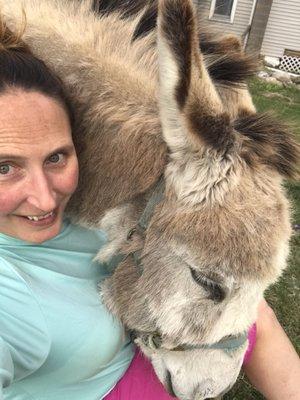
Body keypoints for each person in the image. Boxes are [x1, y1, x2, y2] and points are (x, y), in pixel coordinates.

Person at [0, 20, 299, 400]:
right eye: (3, 167)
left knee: (256, 311)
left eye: (57, 156)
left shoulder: (90, 199)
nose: (45, 200)